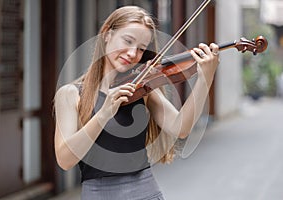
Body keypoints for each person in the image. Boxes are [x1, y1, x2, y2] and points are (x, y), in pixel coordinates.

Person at [54, 5, 219, 200]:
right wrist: (104, 113)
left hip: (145, 193)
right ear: (107, 34)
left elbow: (181, 127)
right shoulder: (70, 94)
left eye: (141, 49)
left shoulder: (142, 90)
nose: (133, 53)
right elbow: (65, 160)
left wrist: (205, 79)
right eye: (128, 41)